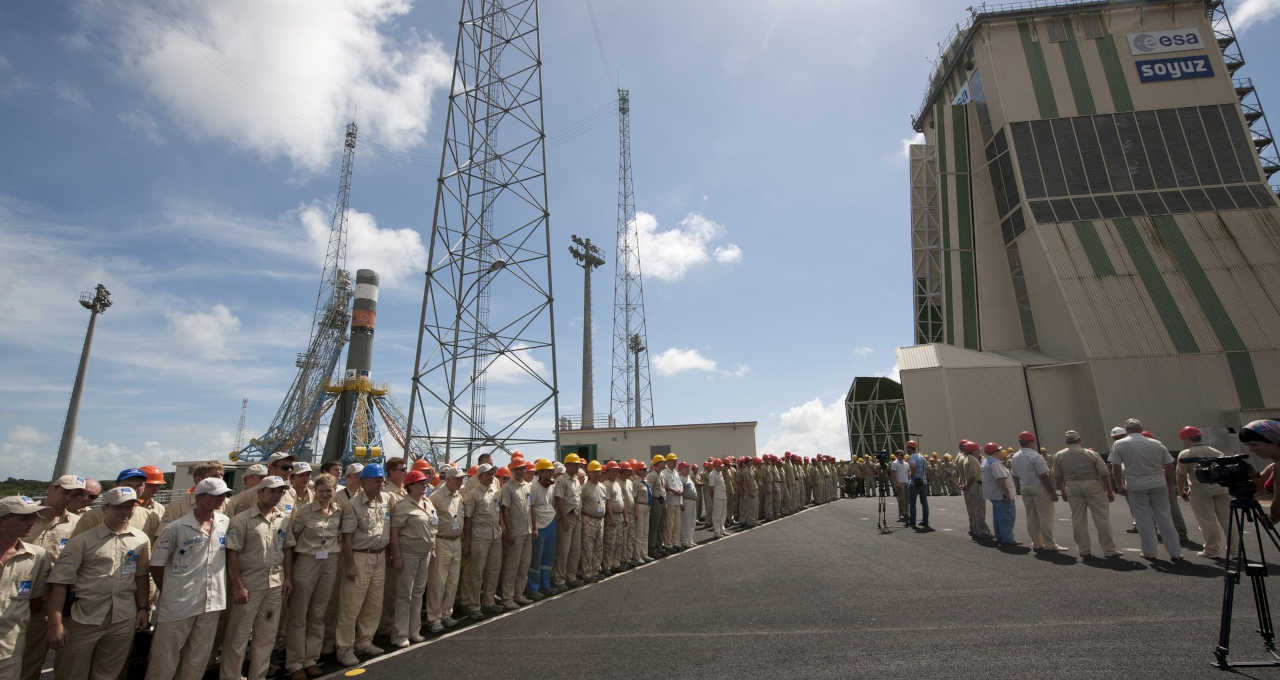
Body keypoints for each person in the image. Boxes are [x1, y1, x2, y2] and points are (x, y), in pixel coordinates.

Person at [46, 486, 150, 680]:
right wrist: (55, 623)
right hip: (84, 618)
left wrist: (143, 608)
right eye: (119, 507)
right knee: (71, 672)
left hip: (122, 618)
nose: (125, 512)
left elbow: (141, 576)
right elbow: (60, 583)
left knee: (108, 674)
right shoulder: (81, 542)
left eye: (130, 507)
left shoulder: (141, 540)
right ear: (105, 508)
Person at [145, 477, 233, 680]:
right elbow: (156, 565)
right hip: (179, 602)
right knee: (165, 657)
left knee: (198, 656)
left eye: (223, 495)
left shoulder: (224, 522)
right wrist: (171, 591)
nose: (221, 499)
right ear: (200, 497)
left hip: (211, 601)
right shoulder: (176, 528)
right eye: (216, 496)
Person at [220, 475, 290, 680]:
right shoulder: (241, 521)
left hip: (274, 585)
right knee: (238, 636)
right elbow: (232, 554)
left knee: (266, 635)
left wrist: (288, 578)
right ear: (260, 492)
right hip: (249, 586)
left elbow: (286, 549)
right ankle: (230, 676)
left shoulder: (282, 520)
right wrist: (238, 586)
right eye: (272, 491)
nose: (277, 496)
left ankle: (258, 675)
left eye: (280, 492)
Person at [22, 474, 88, 680]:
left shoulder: (79, 525)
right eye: (66, 492)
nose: (70, 497)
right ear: (52, 489)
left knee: (31, 660)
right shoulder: (23, 516)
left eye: (76, 494)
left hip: (43, 602)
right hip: (10, 594)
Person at [335, 463, 394, 666]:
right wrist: (349, 564)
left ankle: (365, 641)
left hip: (379, 556)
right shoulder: (354, 504)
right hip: (359, 556)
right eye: (377, 480)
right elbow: (347, 538)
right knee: (351, 604)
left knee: (374, 603)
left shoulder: (386, 499)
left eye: (382, 479)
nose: (381, 483)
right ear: (364, 482)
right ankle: (344, 648)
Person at [284, 472, 341, 679]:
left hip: (329, 561)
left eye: (329, 490)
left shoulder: (338, 511)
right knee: (299, 613)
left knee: (319, 612)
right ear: (315, 491)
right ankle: (295, 662)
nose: (326, 494)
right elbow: (293, 538)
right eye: (322, 490)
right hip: (307, 561)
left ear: (335, 491)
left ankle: (311, 658)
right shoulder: (304, 512)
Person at [1110, 418, 1182, 561]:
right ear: (1141, 429)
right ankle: (1175, 552)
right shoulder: (1156, 443)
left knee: (1143, 519)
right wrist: (1169, 483)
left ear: (1127, 430)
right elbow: (1169, 466)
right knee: (1165, 517)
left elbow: (1116, 467)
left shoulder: (1119, 444)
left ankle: (1150, 552)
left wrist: (1119, 485)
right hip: (1158, 482)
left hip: (1136, 484)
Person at [0, 496, 52, 678]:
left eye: (34, 517)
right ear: (3, 522)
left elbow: (36, 600)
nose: (32, 522)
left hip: (9, 646)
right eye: (24, 518)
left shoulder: (37, 556)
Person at [389, 469, 437, 647]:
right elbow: (394, 532)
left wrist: (433, 547)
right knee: (404, 594)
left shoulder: (428, 503)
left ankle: (414, 631)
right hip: (408, 553)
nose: (424, 485)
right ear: (410, 486)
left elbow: (433, 526)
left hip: (424, 554)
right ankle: (400, 633)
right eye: (420, 483)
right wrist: (397, 556)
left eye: (425, 483)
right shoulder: (403, 506)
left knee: (418, 593)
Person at [1053, 431, 1119, 559]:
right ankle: (1109, 549)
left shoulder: (1059, 455)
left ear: (1067, 442)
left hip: (1072, 485)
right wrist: (1109, 491)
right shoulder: (1090, 453)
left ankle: (1084, 549)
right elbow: (1104, 473)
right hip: (1091, 483)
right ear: (1079, 440)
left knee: (1078, 518)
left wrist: (1062, 491)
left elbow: (1057, 476)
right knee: (1101, 517)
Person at [1176, 426, 1230, 559]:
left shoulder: (1186, 454)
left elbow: (1181, 474)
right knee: (1227, 520)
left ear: (1187, 439)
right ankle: (1235, 550)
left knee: (1207, 520)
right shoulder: (1215, 451)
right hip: (1221, 489)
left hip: (1200, 490)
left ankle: (1212, 550)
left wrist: (1181, 490)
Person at [426, 467, 465, 633]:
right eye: (457, 479)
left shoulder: (459, 496)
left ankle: (446, 613)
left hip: (456, 541)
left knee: (452, 580)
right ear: (447, 479)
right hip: (441, 541)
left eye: (461, 478)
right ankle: (434, 617)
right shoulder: (435, 497)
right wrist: (433, 544)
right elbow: (431, 522)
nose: (460, 481)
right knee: (438, 582)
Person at [1009, 431, 1063, 551]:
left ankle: (1036, 543)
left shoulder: (1015, 456)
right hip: (1038, 486)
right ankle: (1050, 544)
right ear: (1032, 442)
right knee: (1045, 516)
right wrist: (1052, 492)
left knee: (1031, 516)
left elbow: (1015, 475)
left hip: (1025, 486)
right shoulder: (1035, 456)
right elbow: (1043, 475)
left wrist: (1018, 488)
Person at [72, 468, 161, 540]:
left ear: (144, 486)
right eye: (128, 484)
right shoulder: (93, 516)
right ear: (117, 485)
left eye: (139, 485)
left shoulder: (150, 516)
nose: (134, 488)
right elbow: (76, 545)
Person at [463, 464, 504, 618]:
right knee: (477, 572)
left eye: (492, 474)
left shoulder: (495, 492)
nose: (491, 476)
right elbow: (468, 519)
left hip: (495, 534)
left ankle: (489, 601)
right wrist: (467, 541)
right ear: (480, 477)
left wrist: (501, 527)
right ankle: (474, 605)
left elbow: (498, 511)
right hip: (479, 536)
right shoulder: (473, 494)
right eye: (487, 474)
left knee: (493, 570)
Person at [498, 459, 534, 609]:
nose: (520, 471)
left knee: (524, 565)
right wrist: (509, 530)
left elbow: (531, 507)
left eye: (522, 469)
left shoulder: (527, 487)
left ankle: (519, 594)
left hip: (527, 531)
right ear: (512, 470)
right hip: (515, 532)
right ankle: (507, 598)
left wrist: (535, 528)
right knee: (512, 566)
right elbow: (504, 510)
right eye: (517, 469)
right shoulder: (507, 488)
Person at [551, 454, 584, 590]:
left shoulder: (576, 481)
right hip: (567, 516)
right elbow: (559, 500)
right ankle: (559, 579)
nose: (577, 467)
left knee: (575, 549)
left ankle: (571, 576)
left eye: (578, 464)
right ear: (567, 465)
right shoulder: (561, 480)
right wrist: (564, 518)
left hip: (576, 516)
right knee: (564, 550)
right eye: (574, 464)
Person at [161, 462, 224, 531]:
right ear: (199, 480)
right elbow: (162, 535)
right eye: (215, 476)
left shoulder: (226, 504)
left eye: (222, 475)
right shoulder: (177, 506)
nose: (221, 480)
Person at [526, 459, 557, 600]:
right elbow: (531, 507)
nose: (550, 474)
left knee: (548, 557)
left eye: (551, 471)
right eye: (547, 471)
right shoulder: (532, 487)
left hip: (550, 522)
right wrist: (534, 527)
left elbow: (551, 503)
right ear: (540, 472)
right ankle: (533, 588)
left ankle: (546, 584)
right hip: (539, 525)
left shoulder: (551, 486)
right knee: (536, 558)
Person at [980, 442, 1018, 545]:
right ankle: (1008, 539)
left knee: (998, 517)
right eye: (999, 450)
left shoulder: (985, 462)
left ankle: (1000, 536)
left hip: (994, 495)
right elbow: (1000, 479)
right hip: (1001, 495)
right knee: (1007, 518)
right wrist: (1007, 493)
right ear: (995, 452)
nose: (1002, 452)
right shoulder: (995, 463)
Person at [578, 461, 606, 582]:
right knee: (587, 547)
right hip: (588, 519)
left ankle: (595, 570)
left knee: (598, 546)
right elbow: (580, 505)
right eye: (594, 472)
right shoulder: (584, 488)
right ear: (589, 473)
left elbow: (605, 501)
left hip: (600, 520)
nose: (597, 474)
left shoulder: (602, 486)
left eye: (598, 472)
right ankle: (587, 572)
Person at [644, 455, 666, 556]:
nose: (664, 464)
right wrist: (651, 505)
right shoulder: (652, 475)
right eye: (662, 462)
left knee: (661, 525)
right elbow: (649, 491)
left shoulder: (661, 474)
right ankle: (652, 548)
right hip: (656, 501)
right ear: (657, 463)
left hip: (662, 501)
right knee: (654, 526)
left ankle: (659, 545)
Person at [906, 443, 930, 530]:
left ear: (910, 448)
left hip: (915, 482)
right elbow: (926, 469)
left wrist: (911, 475)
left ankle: (912, 522)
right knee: (924, 502)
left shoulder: (912, 457)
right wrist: (923, 477)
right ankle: (925, 520)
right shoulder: (922, 457)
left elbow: (913, 467)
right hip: (923, 481)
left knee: (912, 503)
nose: (907, 451)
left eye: (907, 449)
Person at [708, 459, 727, 538]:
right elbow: (711, 488)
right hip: (717, 497)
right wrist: (713, 498)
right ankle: (717, 532)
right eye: (720, 466)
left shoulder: (720, 473)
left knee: (723, 514)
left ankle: (722, 530)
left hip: (723, 496)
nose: (721, 467)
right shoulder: (712, 474)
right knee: (717, 515)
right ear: (716, 466)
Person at [889, 452, 909, 523]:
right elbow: (893, 474)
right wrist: (896, 483)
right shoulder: (894, 463)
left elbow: (908, 473)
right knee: (901, 499)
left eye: (903, 455)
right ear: (897, 456)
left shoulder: (906, 463)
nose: (902, 456)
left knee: (907, 499)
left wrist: (909, 481)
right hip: (900, 483)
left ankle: (906, 513)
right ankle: (902, 514)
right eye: (901, 455)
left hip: (906, 482)